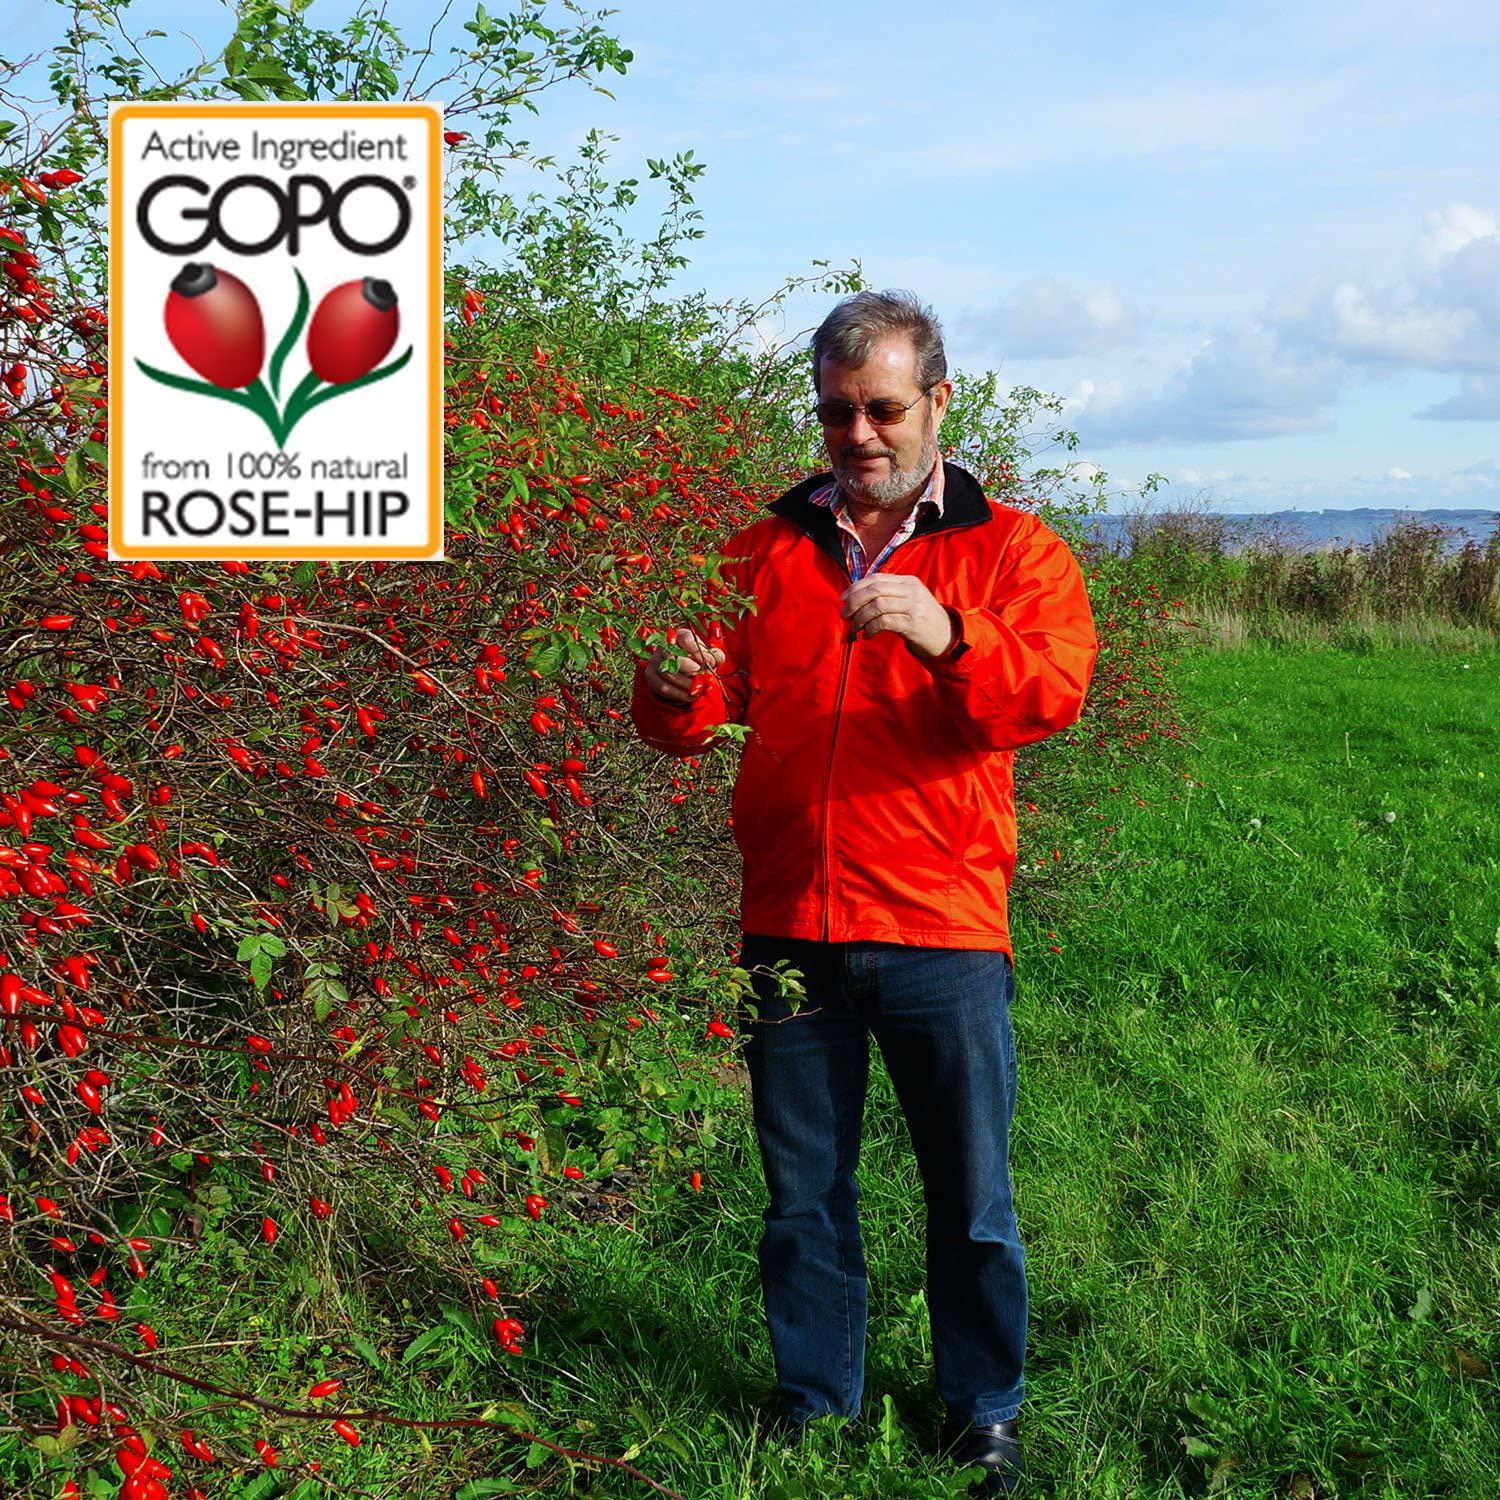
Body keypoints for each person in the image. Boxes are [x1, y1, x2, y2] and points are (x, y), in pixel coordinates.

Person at [630, 289, 1098, 1496]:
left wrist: (950, 635)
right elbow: (697, 717)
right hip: (789, 922)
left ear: (937, 402)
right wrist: (673, 689)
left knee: (971, 1197)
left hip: (941, 922)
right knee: (801, 1195)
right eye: (838, 412)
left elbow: (1052, 693)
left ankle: (983, 1413)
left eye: (882, 409)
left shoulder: (1013, 550)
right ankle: (814, 1402)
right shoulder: (764, 548)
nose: (859, 434)